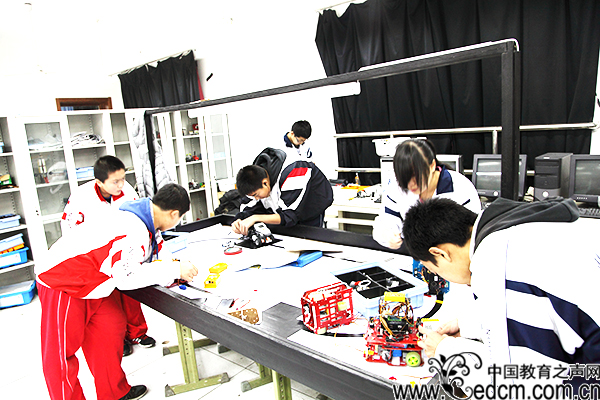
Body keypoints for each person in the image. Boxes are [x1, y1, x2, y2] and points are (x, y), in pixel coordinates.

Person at [402, 197, 600, 385]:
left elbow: (518, 383)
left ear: (440, 253)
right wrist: (470, 324)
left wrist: (444, 351)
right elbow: (543, 305)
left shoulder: (496, 264)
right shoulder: (521, 228)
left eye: (436, 270)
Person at [36, 183, 198, 400]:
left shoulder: (147, 218)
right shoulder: (133, 228)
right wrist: (174, 269)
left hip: (95, 284)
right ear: (174, 214)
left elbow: (157, 250)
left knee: (110, 329)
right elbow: (126, 276)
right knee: (61, 354)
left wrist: (176, 268)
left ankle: (113, 392)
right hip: (64, 281)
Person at [62, 155, 153, 357]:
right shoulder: (81, 197)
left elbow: (138, 217)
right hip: (96, 255)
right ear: (99, 182)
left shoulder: (126, 191)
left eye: (123, 179)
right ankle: (119, 339)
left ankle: (137, 333)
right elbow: (70, 230)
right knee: (109, 299)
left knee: (131, 291)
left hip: (123, 248)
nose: (121, 185)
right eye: (115, 182)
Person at [372, 139, 480, 252]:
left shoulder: (460, 188)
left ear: (432, 165)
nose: (411, 184)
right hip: (417, 254)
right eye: (405, 178)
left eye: (416, 176)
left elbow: (473, 234)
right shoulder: (396, 186)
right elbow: (384, 223)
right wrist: (387, 235)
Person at [232, 147, 333, 235]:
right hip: (284, 207)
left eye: (256, 195)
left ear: (265, 183)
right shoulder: (255, 178)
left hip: (310, 205)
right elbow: (249, 205)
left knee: (308, 240)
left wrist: (255, 218)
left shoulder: (294, 172)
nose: (256, 198)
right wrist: (240, 219)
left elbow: (290, 216)